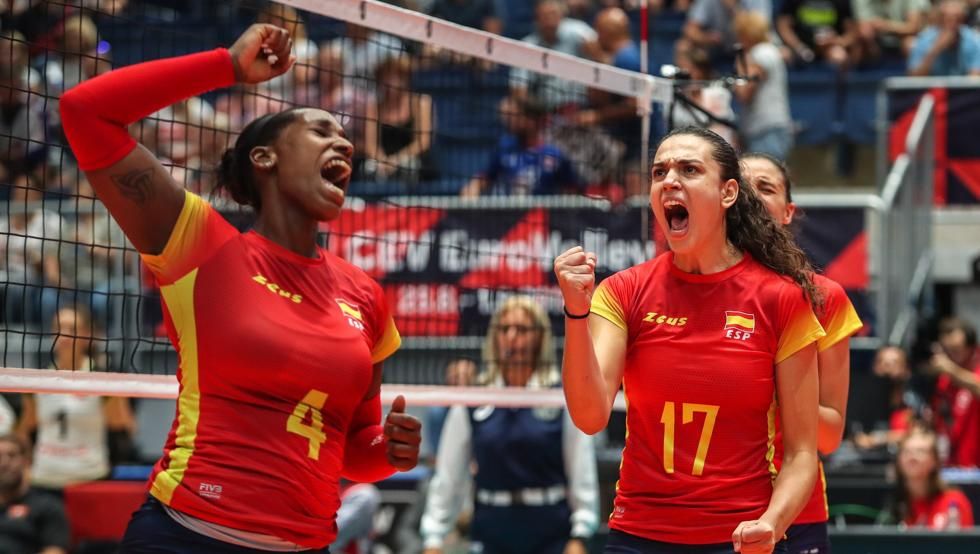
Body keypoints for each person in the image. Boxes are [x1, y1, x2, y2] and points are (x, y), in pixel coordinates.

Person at [58, 24, 422, 552]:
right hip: (185, 535)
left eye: (341, 135)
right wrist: (225, 66)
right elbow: (84, 111)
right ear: (265, 158)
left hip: (306, 543)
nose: (342, 139)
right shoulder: (202, 245)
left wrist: (389, 451)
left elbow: (352, 451)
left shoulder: (364, 294)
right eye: (320, 130)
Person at [555, 126, 824, 554]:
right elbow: (589, 416)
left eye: (689, 169)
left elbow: (800, 455)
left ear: (728, 192)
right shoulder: (624, 291)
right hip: (638, 534)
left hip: (739, 536)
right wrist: (574, 311)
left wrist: (771, 524)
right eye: (659, 171)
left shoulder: (780, 299)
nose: (670, 180)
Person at [742, 153, 864, 554]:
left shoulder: (825, 298)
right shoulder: (685, 290)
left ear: (788, 211)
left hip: (797, 514)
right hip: (706, 508)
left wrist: (760, 383)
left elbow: (829, 435)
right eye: (742, 187)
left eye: (766, 187)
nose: (753, 197)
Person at [420, 295, 599, 554]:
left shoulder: (560, 397)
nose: (512, 336)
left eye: (522, 329)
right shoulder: (474, 399)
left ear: (539, 337)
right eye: (504, 329)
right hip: (492, 527)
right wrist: (434, 537)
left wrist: (580, 535)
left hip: (550, 529)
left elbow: (582, 471)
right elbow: (449, 477)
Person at [16, 305, 135, 490]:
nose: (64, 335)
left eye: (72, 329)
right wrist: (25, 468)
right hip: (44, 479)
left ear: (87, 335)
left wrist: (113, 388)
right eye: (58, 328)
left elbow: (124, 427)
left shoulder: (101, 378)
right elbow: (24, 430)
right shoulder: (37, 379)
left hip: (90, 478)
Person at [733, 11, 794, 161]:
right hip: (769, 127)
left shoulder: (759, 54)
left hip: (766, 129)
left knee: (764, 180)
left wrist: (740, 66)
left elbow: (744, 93)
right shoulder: (770, 50)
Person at [889, 428, 975, 529]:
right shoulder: (892, 504)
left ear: (935, 461)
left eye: (920, 451)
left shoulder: (954, 502)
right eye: (906, 451)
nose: (912, 457)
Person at [0, 434, 70, 554]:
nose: (4, 463)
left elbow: (54, 550)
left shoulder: (47, 505)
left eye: (11, 456)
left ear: (26, 461)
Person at [927, 317, 980, 467]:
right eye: (947, 349)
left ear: (969, 342)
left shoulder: (955, 369)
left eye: (956, 348)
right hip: (952, 461)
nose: (951, 352)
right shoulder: (945, 377)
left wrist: (952, 370)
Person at [907, 0, 980, 76]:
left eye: (957, 19)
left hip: (963, 87)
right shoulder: (925, 39)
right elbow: (914, 77)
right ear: (940, 19)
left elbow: (975, 79)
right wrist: (935, 50)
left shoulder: (974, 40)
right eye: (947, 19)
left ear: (963, 20)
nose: (952, 24)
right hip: (932, 87)